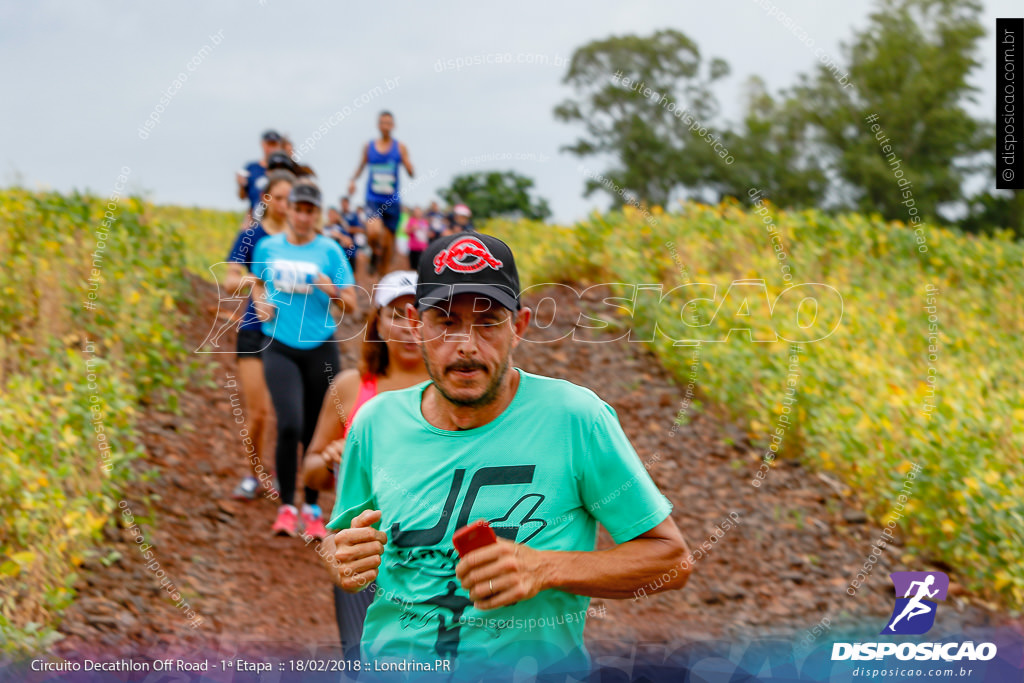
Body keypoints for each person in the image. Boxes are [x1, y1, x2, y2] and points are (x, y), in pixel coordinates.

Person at [324, 233, 690, 680]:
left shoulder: (575, 419)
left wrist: (544, 568)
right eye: (445, 321)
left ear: (519, 325)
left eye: (489, 322)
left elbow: (670, 560)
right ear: (416, 324)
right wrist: (340, 556)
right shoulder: (374, 423)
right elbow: (342, 541)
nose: (467, 345)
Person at [302, 270, 429, 661]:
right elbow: (310, 472)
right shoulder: (351, 387)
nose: (408, 327)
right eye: (396, 315)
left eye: (419, 316)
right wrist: (330, 456)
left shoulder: (454, 389)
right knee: (362, 659)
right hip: (362, 547)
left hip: (432, 550)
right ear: (378, 323)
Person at [251, 181, 357, 538]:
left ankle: (312, 508)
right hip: (278, 344)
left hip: (320, 346)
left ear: (316, 214)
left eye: (310, 210)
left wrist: (333, 292)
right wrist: (259, 301)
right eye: (298, 208)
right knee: (290, 423)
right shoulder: (268, 247)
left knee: (316, 430)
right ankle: (285, 507)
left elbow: (353, 303)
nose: (303, 216)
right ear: (289, 210)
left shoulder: (329, 251)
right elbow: (256, 282)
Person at [224, 170, 296, 499]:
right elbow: (228, 281)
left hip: (291, 334)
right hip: (254, 330)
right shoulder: (251, 236)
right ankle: (253, 473)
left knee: (288, 411)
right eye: (278, 197)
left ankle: (284, 473)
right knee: (259, 412)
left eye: (289, 198)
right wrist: (256, 283)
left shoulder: (300, 238)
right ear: (266, 199)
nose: (285, 204)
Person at [347, 111, 414, 275]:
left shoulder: (400, 147)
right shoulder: (369, 147)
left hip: (392, 201)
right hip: (373, 199)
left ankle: (381, 278)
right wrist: (352, 180)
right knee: (373, 231)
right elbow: (361, 166)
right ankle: (372, 253)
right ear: (378, 125)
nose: (385, 126)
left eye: (388, 123)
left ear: (393, 126)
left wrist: (406, 162)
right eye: (382, 123)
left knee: (388, 249)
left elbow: (411, 171)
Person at [236, 130, 282, 222]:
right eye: (269, 144)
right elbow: (242, 196)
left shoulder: (283, 169)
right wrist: (240, 184)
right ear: (263, 144)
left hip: (276, 219)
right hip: (254, 218)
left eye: (274, 145)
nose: (271, 149)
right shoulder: (251, 168)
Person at [325, 207, 358, 272]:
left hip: (344, 257)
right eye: (330, 214)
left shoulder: (340, 228)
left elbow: (350, 243)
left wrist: (339, 235)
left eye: (333, 214)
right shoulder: (325, 228)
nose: (331, 216)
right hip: (329, 258)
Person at [406, 206, 430, 271]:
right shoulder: (411, 220)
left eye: (419, 212)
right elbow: (406, 231)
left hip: (423, 248)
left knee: (421, 266)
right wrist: (412, 229)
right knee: (413, 267)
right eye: (416, 212)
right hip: (413, 247)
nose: (418, 213)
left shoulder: (424, 222)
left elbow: (427, 234)